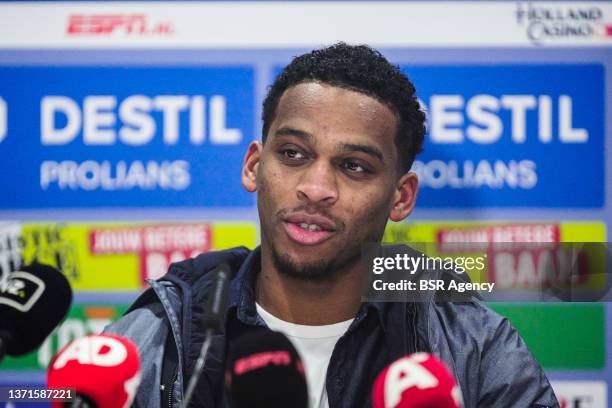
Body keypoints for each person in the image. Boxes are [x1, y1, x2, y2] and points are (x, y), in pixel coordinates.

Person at [105, 43, 559, 408]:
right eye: (293, 154)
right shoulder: (159, 335)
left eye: (354, 166)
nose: (316, 188)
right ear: (253, 167)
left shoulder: (475, 346)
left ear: (401, 197)